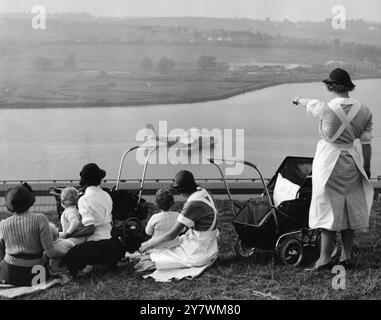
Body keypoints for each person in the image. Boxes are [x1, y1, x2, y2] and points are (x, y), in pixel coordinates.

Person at [293, 68, 374, 270]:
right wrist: (366, 169)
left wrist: (297, 99)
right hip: (353, 162)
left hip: (328, 162)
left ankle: (324, 258)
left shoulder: (324, 108)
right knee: (350, 207)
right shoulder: (365, 111)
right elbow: (366, 144)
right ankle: (346, 255)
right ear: (349, 86)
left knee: (326, 207)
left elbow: (307, 103)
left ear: (330, 86)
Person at [137, 170, 219, 282]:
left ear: (180, 190)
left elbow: (171, 235)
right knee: (162, 253)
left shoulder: (192, 205)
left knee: (154, 259)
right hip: (209, 245)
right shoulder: (205, 192)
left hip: (201, 251)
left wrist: (149, 244)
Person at [0, 184, 64, 286]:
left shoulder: (3, 224)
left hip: (10, 275)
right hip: (37, 274)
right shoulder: (40, 219)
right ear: (29, 202)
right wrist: (67, 254)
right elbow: (51, 253)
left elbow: (1, 251)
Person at [67, 163, 113, 275]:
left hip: (94, 244)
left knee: (66, 245)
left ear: (84, 181)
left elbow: (90, 229)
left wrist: (69, 234)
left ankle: (89, 264)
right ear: (99, 180)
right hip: (110, 241)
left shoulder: (84, 199)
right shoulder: (107, 195)